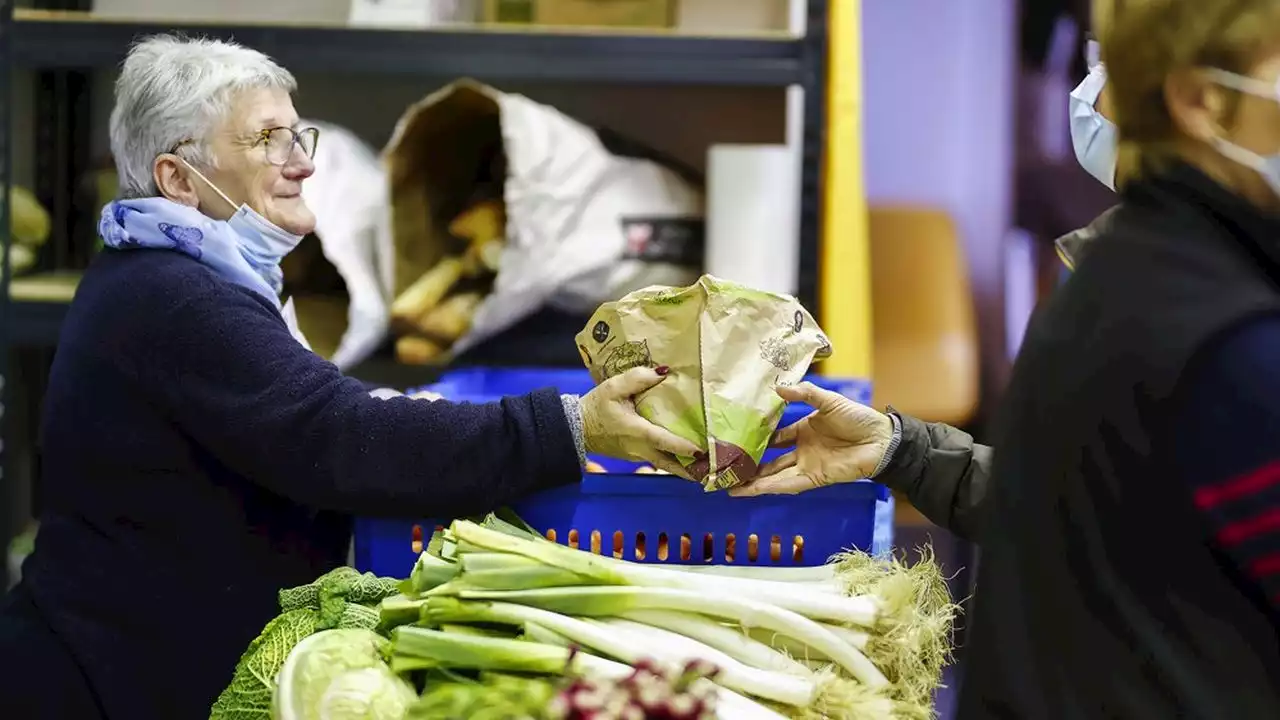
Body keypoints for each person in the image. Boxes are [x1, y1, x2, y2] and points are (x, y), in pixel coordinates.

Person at [0, 35, 701, 720]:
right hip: (96, 683)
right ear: (179, 179)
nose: (301, 163)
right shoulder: (176, 296)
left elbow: (301, 415)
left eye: (297, 136)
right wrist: (571, 425)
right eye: (266, 140)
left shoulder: (180, 272)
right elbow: (333, 435)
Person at [752, 0, 1280, 714]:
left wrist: (904, 450)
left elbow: (1121, 521)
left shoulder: (1117, 276)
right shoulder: (1225, 334)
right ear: (1200, 102)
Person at [730, 32, 1123, 543]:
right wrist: (901, 449)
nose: (1092, 95)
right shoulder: (1122, 272)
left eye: (1113, 67)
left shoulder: (1225, 306)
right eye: (1096, 61)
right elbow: (1083, 510)